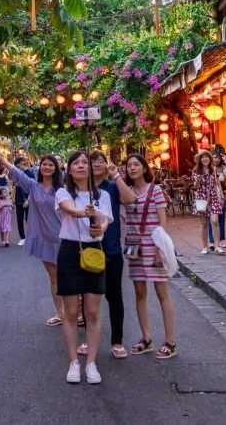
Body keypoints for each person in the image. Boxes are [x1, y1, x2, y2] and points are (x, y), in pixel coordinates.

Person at [55, 150, 112, 384]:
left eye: (85, 163)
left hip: (94, 250)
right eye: (76, 163)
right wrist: (84, 212)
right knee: (70, 312)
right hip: (70, 250)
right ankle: (73, 362)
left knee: (92, 312)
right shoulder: (62, 192)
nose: (81, 166)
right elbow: (69, 209)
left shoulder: (103, 194)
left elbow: (106, 219)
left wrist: (101, 227)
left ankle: (91, 362)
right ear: (68, 169)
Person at [0, 151, 64, 326]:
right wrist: (3, 160)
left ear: (57, 168)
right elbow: (17, 173)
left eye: (51, 164)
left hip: (63, 238)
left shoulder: (63, 190)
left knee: (69, 276)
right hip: (43, 238)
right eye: (44, 164)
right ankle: (61, 313)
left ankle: (76, 312)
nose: (47, 167)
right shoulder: (34, 186)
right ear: (40, 168)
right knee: (54, 277)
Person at [82, 150, 137, 360]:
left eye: (100, 161)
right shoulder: (81, 189)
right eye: (92, 161)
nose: (96, 164)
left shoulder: (112, 187)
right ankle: (89, 339)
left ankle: (117, 341)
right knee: (87, 297)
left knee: (114, 297)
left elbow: (130, 199)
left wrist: (116, 175)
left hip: (111, 249)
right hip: (87, 249)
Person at [124, 153, 176, 359]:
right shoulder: (126, 192)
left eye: (136, 164)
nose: (132, 168)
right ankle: (146, 338)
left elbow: (162, 223)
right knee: (139, 291)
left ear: (145, 168)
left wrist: (158, 249)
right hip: (134, 246)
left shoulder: (155, 190)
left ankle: (170, 341)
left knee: (162, 292)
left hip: (153, 246)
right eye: (128, 165)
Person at [193, 150, 225, 254]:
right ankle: (205, 247)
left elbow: (217, 184)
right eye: (203, 157)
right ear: (200, 160)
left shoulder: (213, 170)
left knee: (215, 221)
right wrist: (198, 180)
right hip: (201, 198)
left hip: (213, 197)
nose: (205, 159)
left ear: (209, 158)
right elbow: (196, 187)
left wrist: (221, 196)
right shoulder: (196, 171)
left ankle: (217, 246)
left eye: (207, 157)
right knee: (204, 224)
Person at [208, 152, 226, 249]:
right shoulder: (208, 169)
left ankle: (222, 239)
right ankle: (212, 241)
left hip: (222, 194)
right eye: (213, 157)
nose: (215, 159)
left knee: (221, 218)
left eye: (217, 157)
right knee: (211, 219)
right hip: (211, 196)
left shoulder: (223, 168)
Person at [13, 157, 32, 246]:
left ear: (22, 163)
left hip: (28, 200)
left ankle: (30, 238)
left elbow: (32, 188)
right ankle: (23, 238)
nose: (18, 168)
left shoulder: (30, 173)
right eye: (16, 167)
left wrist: (28, 199)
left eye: (18, 166)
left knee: (29, 219)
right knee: (19, 219)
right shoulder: (17, 174)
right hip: (18, 199)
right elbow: (15, 187)